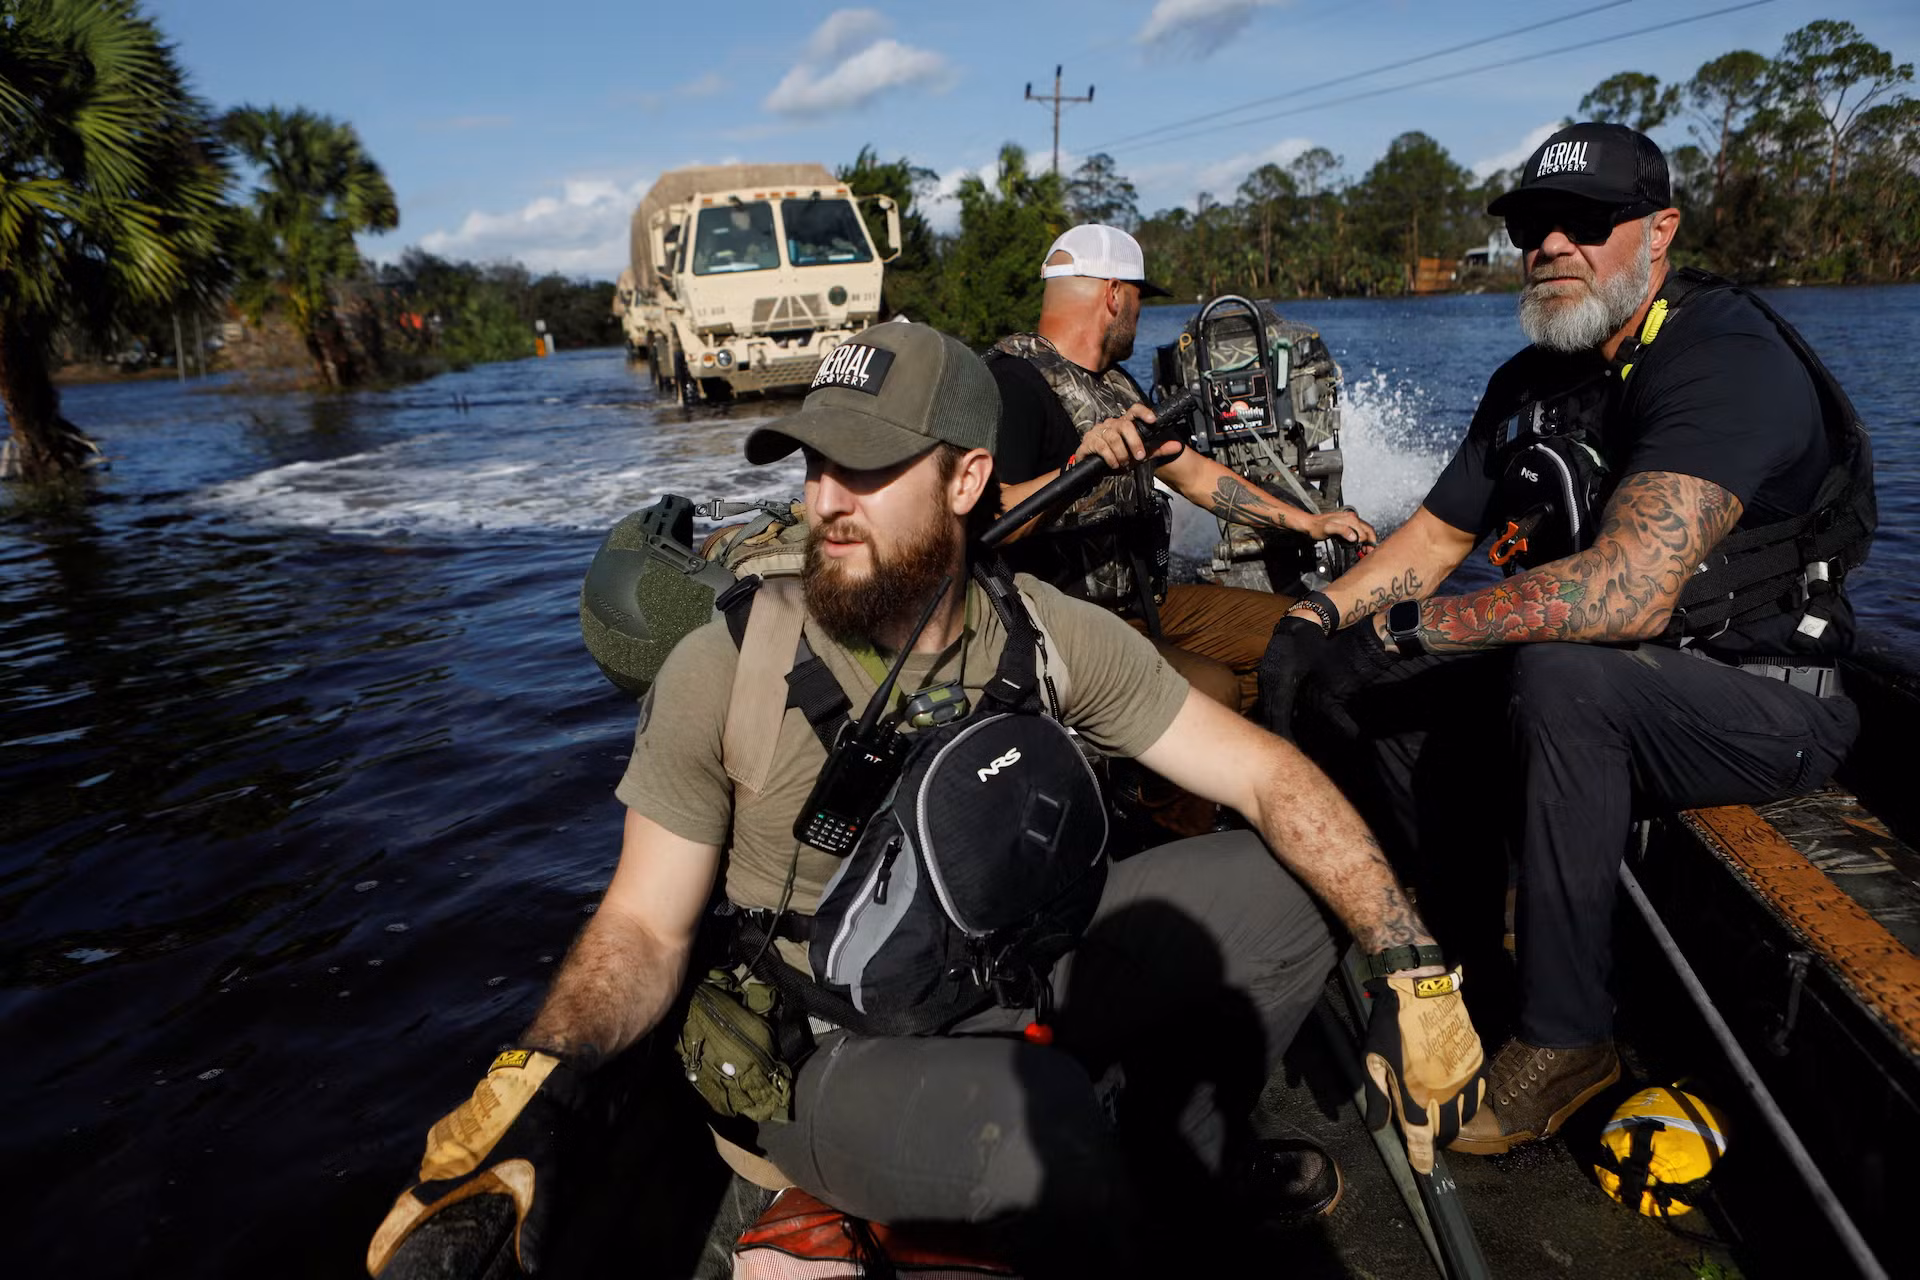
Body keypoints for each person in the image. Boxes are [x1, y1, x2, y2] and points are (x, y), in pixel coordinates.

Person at [368, 321, 1485, 1276]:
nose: (824, 503)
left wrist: (1406, 955)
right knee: (1037, 1131)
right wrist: (539, 1073)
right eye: (811, 465)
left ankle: (1169, 1164)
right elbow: (645, 922)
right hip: (823, 1043)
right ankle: (958, 1186)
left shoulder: (1045, 634)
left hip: (1005, 965)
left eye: (865, 468)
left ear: (965, 479)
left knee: (1283, 885)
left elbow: (1265, 772)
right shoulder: (728, 662)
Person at [1260, 123, 1871, 1157]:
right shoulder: (1533, 381)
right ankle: (1456, 951)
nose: (1551, 245)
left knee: (1558, 677)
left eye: (1586, 224)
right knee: (1348, 680)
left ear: (1660, 230)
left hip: (1767, 698)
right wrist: (1315, 623)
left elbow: (1630, 590)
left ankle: (1567, 1039)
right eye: (1534, 225)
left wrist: (1420, 627)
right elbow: (1437, 537)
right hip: (1623, 675)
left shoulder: (1725, 358)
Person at [988, 223, 1377, 714]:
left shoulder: (1114, 383)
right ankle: (1158, 784)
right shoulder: (1011, 384)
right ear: (1114, 295)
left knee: (1304, 629)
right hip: (1064, 628)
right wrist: (1077, 467)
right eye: (1138, 298)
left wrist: (1310, 521)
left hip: (1144, 605)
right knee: (1215, 691)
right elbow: (990, 520)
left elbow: (1193, 474)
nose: (1138, 313)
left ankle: (1247, 764)